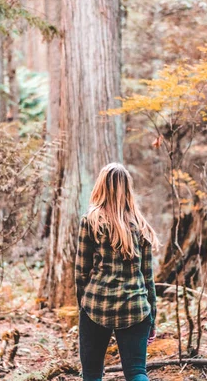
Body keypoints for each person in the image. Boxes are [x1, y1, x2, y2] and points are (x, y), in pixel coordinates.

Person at [75, 162, 158, 381]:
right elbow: (148, 279)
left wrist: (82, 308)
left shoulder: (91, 222)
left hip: (96, 306)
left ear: (101, 186)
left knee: (92, 374)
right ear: (128, 189)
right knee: (137, 372)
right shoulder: (141, 226)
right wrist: (152, 320)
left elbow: (81, 272)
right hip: (135, 307)